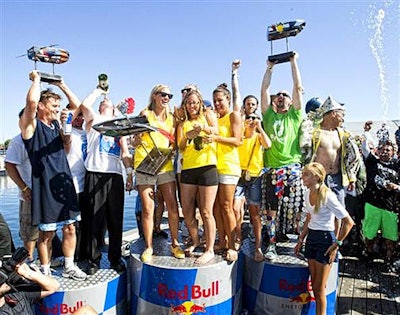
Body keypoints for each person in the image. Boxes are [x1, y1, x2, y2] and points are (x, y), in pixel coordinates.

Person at [20, 71, 86, 280]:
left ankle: (69, 265)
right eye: (54, 106)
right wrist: (37, 80)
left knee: (70, 228)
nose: (58, 109)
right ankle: (46, 270)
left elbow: (77, 107)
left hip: (64, 183)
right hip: (44, 187)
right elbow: (30, 102)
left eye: (59, 106)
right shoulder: (31, 126)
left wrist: (62, 84)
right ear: (41, 106)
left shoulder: (58, 125)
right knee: (46, 234)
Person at [79, 87, 133, 274]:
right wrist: (97, 90)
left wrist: (129, 172)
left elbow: (125, 152)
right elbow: (85, 105)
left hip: (115, 175)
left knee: (115, 219)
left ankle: (115, 258)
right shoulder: (94, 120)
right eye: (103, 101)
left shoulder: (119, 125)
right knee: (94, 219)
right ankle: (93, 259)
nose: (104, 101)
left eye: (107, 100)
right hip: (95, 172)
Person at [132, 84, 184, 263]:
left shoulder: (173, 118)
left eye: (170, 95)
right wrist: (136, 140)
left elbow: (176, 142)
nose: (167, 98)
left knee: (172, 205)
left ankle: (175, 243)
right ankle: (148, 247)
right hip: (144, 164)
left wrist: (172, 148)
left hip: (164, 164)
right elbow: (134, 140)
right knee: (148, 208)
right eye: (163, 94)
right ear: (154, 95)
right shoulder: (144, 114)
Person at [260, 52, 304, 260]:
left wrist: (293, 62)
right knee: (271, 211)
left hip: (293, 169)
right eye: (279, 94)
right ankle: (271, 245)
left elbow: (297, 87)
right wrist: (270, 67)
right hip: (272, 170)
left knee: (299, 209)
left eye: (285, 95)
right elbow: (264, 89)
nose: (281, 96)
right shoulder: (267, 114)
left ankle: (301, 244)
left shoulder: (294, 115)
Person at [294, 162, 354, 315]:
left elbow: (349, 222)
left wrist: (336, 244)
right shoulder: (307, 193)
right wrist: (301, 239)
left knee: (320, 289)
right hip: (312, 238)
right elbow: (309, 217)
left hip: (326, 239)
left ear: (316, 177)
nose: (302, 177)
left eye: (306, 174)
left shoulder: (328, 195)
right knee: (314, 286)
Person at [177, 89, 219, 265]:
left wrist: (204, 128)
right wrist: (187, 136)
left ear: (200, 103)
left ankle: (209, 249)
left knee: (206, 211)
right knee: (187, 211)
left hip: (208, 167)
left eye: (194, 102)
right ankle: (195, 240)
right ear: (185, 105)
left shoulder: (207, 114)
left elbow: (217, 132)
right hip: (188, 169)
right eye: (189, 103)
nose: (192, 105)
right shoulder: (182, 124)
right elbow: (179, 146)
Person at [234, 113, 271, 262]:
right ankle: (237, 238)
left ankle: (258, 246)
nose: (252, 120)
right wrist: (244, 125)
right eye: (249, 117)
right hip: (239, 176)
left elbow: (268, 145)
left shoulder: (258, 137)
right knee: (235, 208)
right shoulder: (240, 135)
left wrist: (259, 127)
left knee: (255, 213)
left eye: (255, 118)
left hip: (255, 177)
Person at [211, 83, 242, 262]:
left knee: (226, 206)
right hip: (215, 166)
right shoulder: (215, 118)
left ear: (228, 100)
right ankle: (222, 241)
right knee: (216, 207)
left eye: (220, 100)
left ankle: (232, 246)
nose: (216, 104)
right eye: (215, 101)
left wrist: (216, 137)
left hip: (229, 166)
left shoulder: (233, 115)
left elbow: (237, 140)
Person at [5, 112, 38, 262]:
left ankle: (46, 262)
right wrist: (24, 188)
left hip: (44, 195)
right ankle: (28, 264)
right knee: (29, 234)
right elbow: (9, 166)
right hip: (29, 195)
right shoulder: (18, 142)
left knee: (45, 232)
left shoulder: (41, 139)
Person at [360, 139, 400, 263]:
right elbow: (365, 149)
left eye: (388, 150)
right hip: (372, 204)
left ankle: (388, 259)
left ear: (393, 152)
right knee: (369, 233)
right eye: (382, 149)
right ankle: (369, 253)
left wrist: (396, 187)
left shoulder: (397, 166)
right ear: (377, 151)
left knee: (390, 236)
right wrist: (366, 134)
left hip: (391, 206)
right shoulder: (372, 162)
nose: (384, 152)